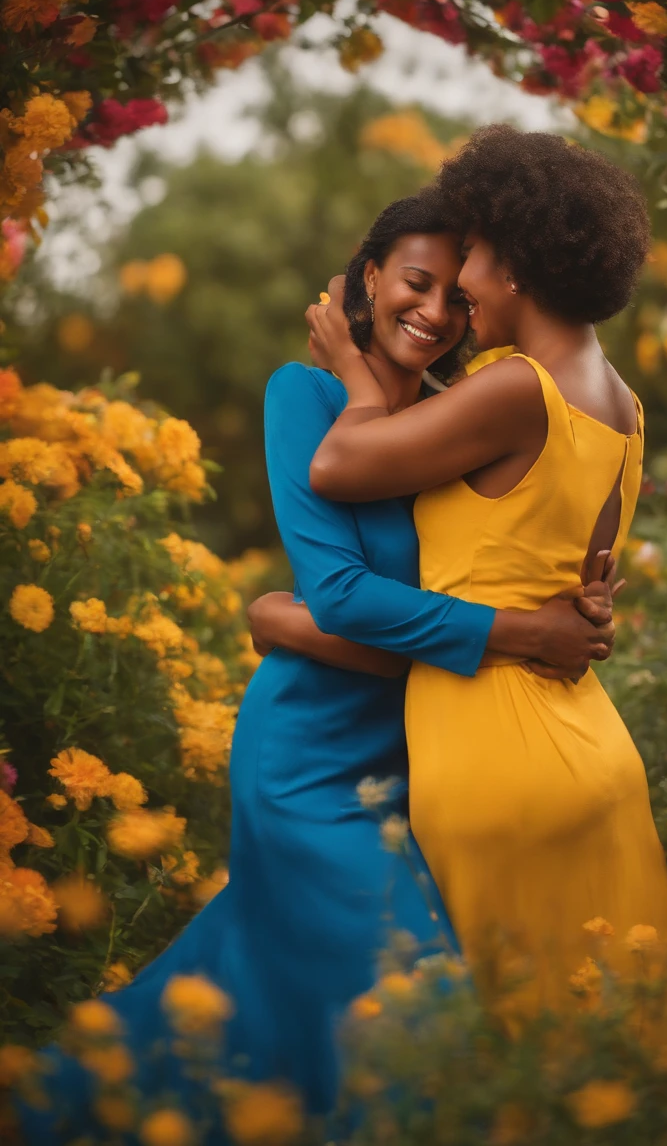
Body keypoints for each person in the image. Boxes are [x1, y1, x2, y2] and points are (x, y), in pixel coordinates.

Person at [16, 190, 617, 1143]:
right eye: (415, 283)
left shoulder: (456, 417)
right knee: (414, 1006)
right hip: (306, 764)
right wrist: (513, 633)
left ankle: (49, 1109)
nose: (436, 312)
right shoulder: (303, 396)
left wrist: (578, 605)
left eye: (455, 298)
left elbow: (483, 557)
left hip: (416, 763)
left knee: (249, 996)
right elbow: (338, 595)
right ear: (367, 279)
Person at [305, 127, 667, 1012]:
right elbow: (573, 578)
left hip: (494, 748)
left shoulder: (517, 386)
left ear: (517, 264)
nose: (463, 285)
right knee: (619, 1045)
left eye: (474, 255)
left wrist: (348, 367)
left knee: (516, 1047)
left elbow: (336, 466)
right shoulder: (623, 405)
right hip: (587, 744)